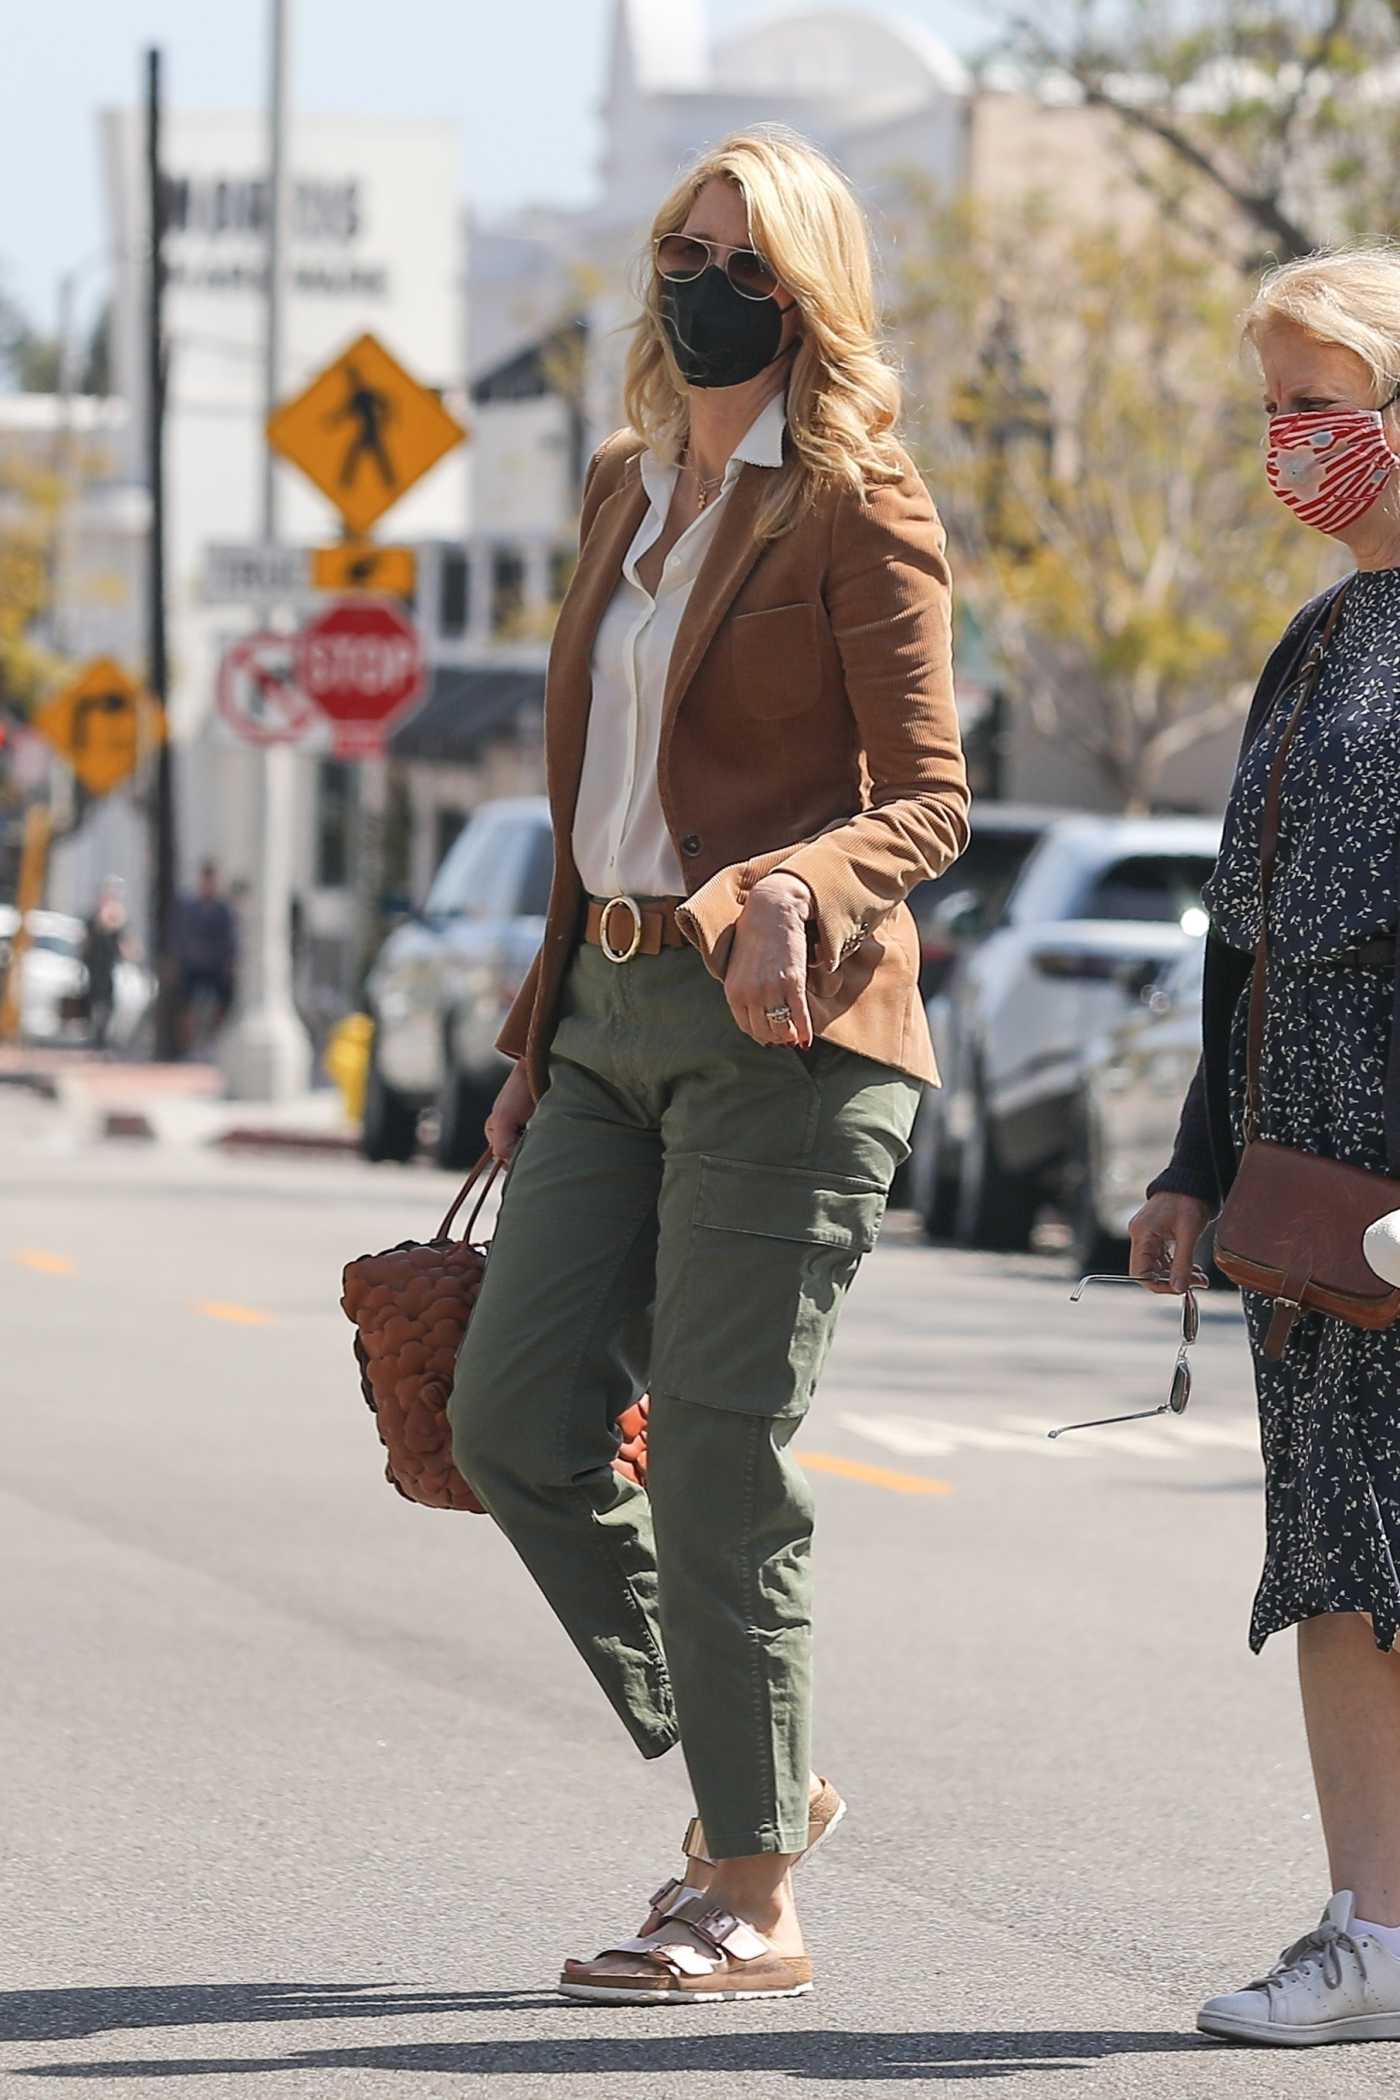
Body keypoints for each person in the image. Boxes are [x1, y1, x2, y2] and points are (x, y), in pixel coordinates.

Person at [447, 126, 968, 2005]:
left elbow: (928, 797)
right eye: (688, 247)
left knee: (721, 1454)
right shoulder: (620, 483)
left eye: (748, 261)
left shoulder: (856, 497)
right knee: (507, 1418)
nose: (707, 283)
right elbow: (593, 802)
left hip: (795, 1034)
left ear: (809, 293)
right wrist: (532, 1042)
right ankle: (771, 1771)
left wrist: (787, 886)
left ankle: (747, 1888)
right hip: (604, 1027)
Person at [1134, 245, 1400, 2049]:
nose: (1293, 442)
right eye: (1274, 409)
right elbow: (1239, 938)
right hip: (1314, 1198)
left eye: (1326, 400)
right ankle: (1371, 1930)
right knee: (1339, 1557)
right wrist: (1188, 1168)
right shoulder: (1313, 647)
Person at [176, 860, 238, 1054]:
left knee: (225, 1000)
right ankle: (189, 1046)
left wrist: (230, 962)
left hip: (216, 965)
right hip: (194, 964)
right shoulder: (191, 907)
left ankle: (214, 1041)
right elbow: (182, 934)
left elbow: (230, 938)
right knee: (186, 1005)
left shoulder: (222, 909)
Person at [81, 877, 129, 1052]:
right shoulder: (93, 919)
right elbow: (87, 942)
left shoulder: (117, 918)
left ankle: (102, 1038)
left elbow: (122, 943)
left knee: (108, 1003)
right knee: (95, 1001)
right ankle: (95, 1038)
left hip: (109, 967)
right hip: (95, 967)